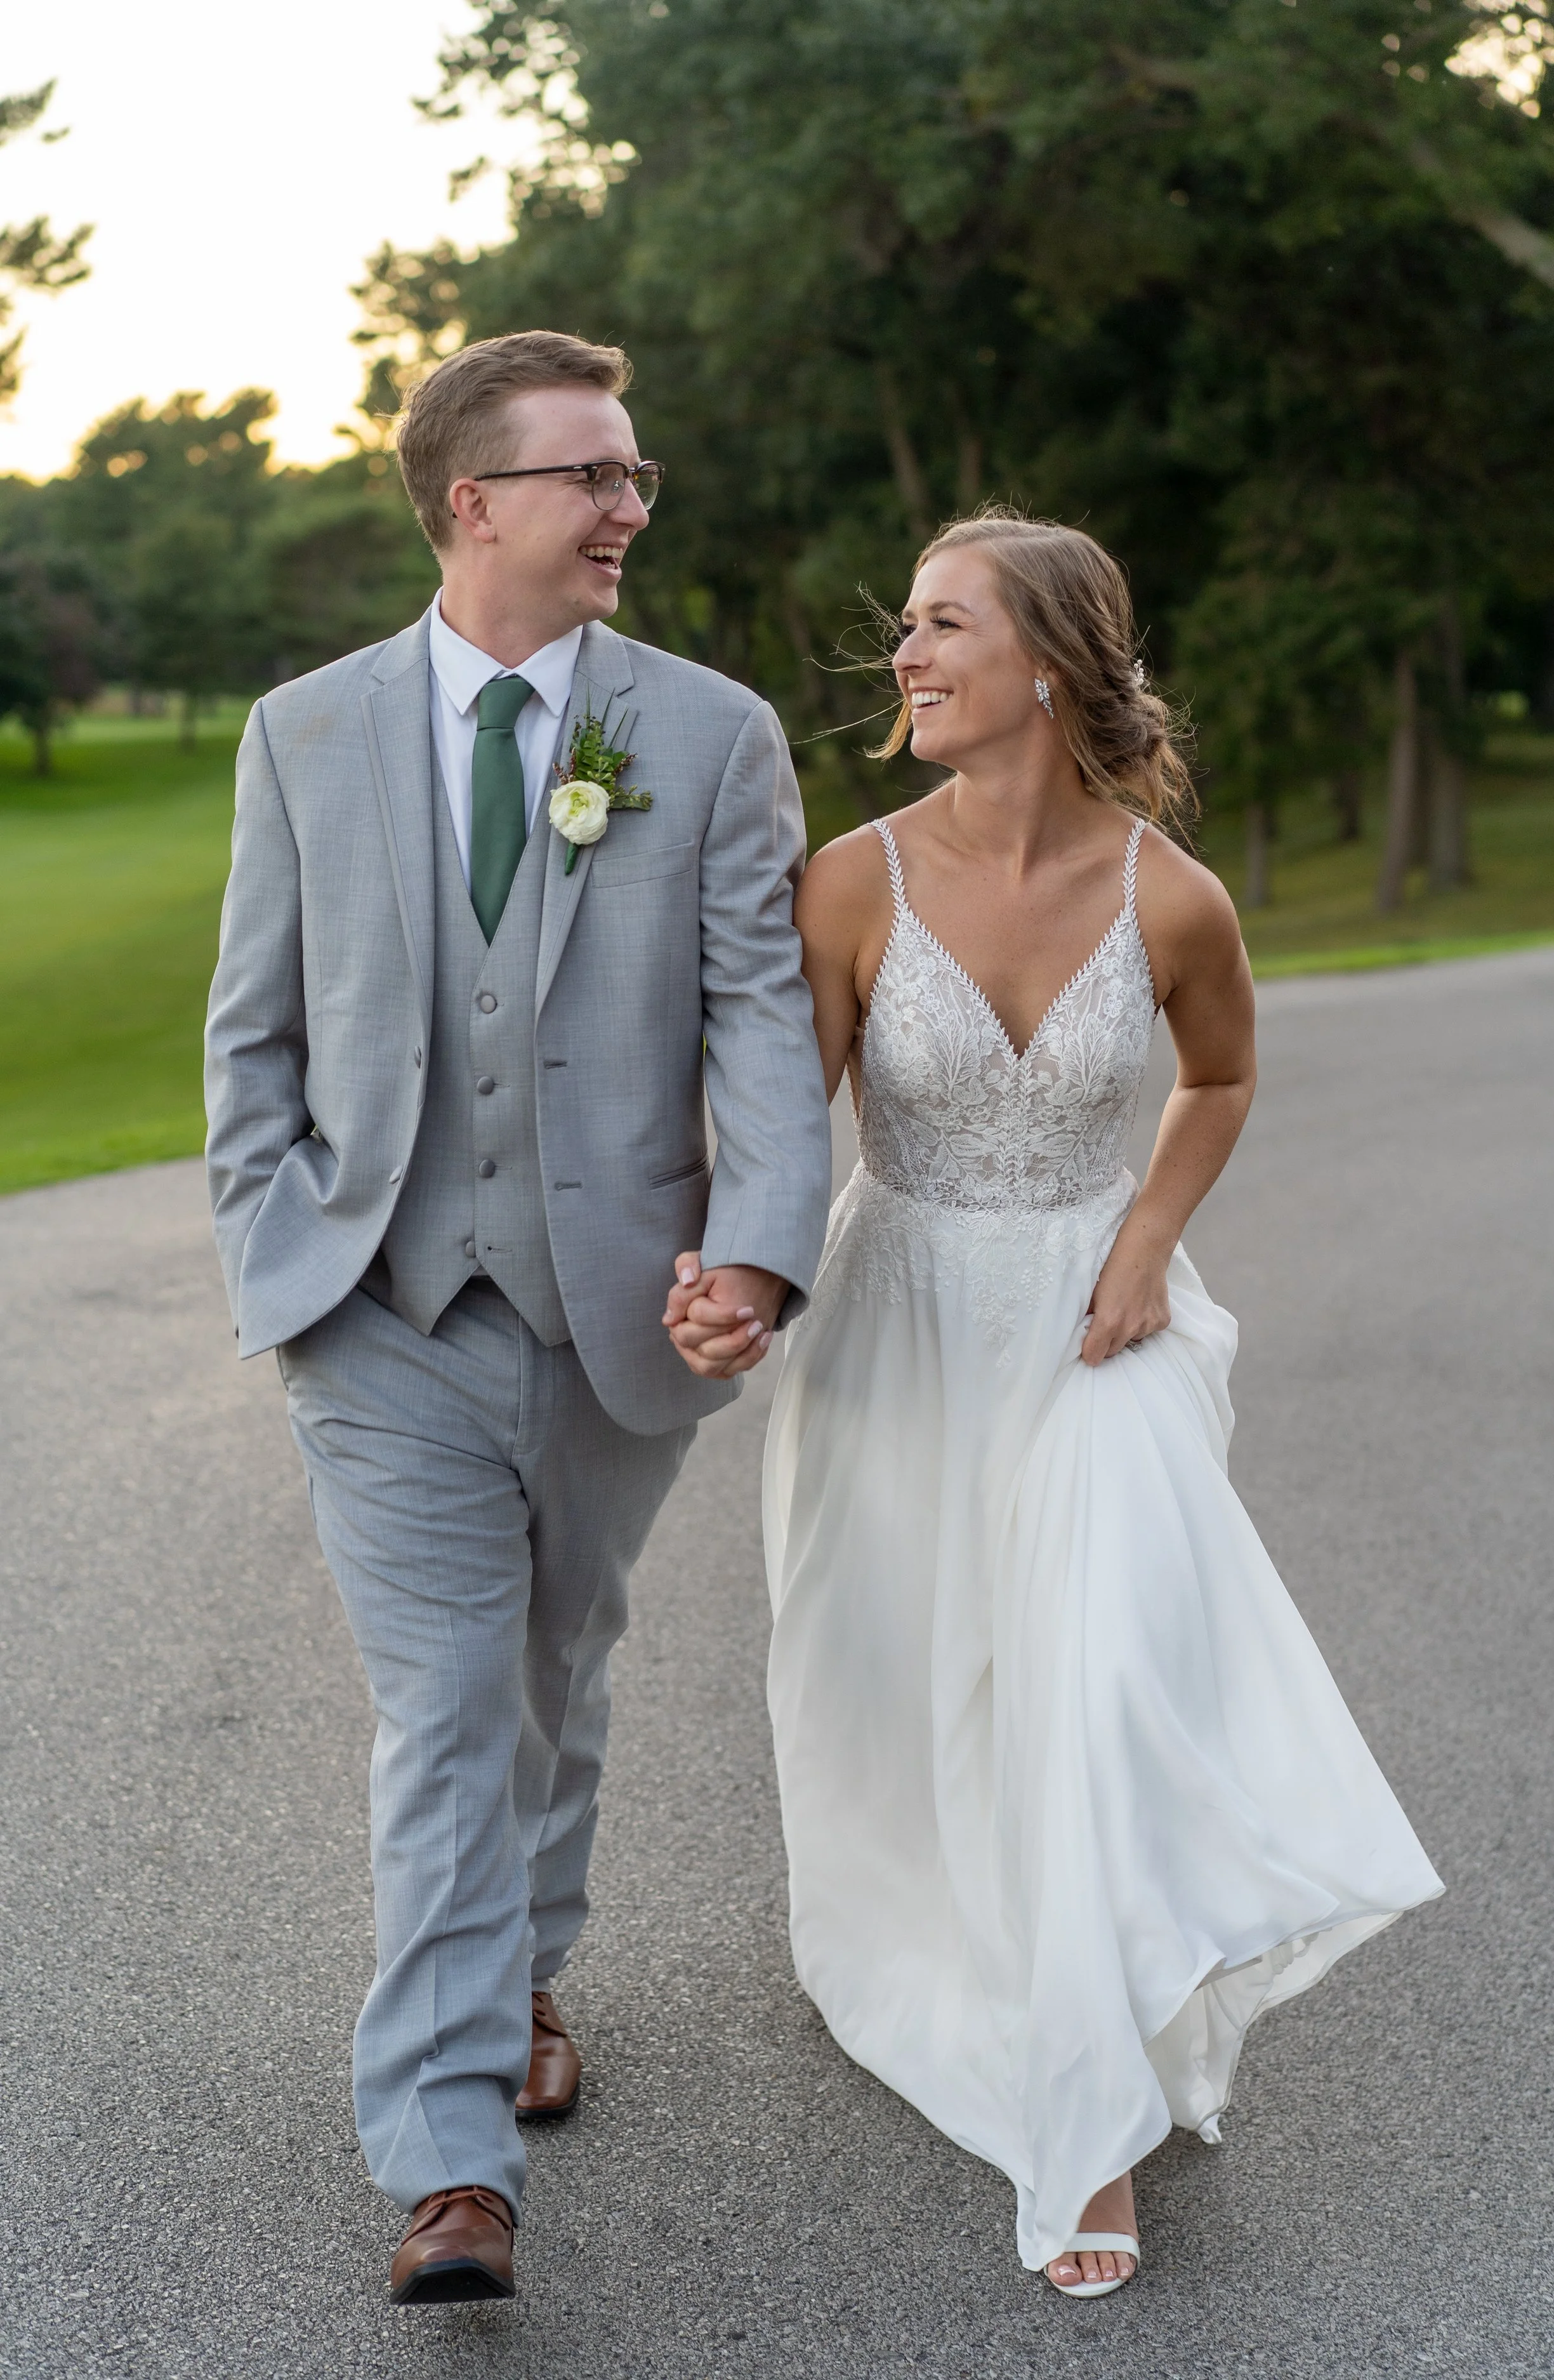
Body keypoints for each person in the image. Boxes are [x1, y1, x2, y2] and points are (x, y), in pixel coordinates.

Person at [747, 510, 1444, 2297]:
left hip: (1095, 1328)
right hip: (898, 1324)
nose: (900, 656)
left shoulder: (1169, 895)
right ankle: (957, 1956)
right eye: (902, 626)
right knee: (908, 1687)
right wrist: (730, 1276)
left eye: (938, 626)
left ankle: (1088, 2121)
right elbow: (768, 1133)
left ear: (1043, 662)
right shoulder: (846, 880)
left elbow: (1218, 1072)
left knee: (1086, 1691)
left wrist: (1144, 1239)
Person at [204, 330, 830, 2303]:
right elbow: (255, 1031)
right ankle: (451, 2155)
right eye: (595, 478)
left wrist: (761, 1243)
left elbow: (763, 1024)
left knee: (553, 1668)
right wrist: (271, 1246)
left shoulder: (707, 734)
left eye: (635, 478)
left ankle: (530, 1955)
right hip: (377, 1309)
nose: (631, 508)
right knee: (449, 1709)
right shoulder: (302, 732)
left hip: (615, 1306)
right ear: (474, 501)